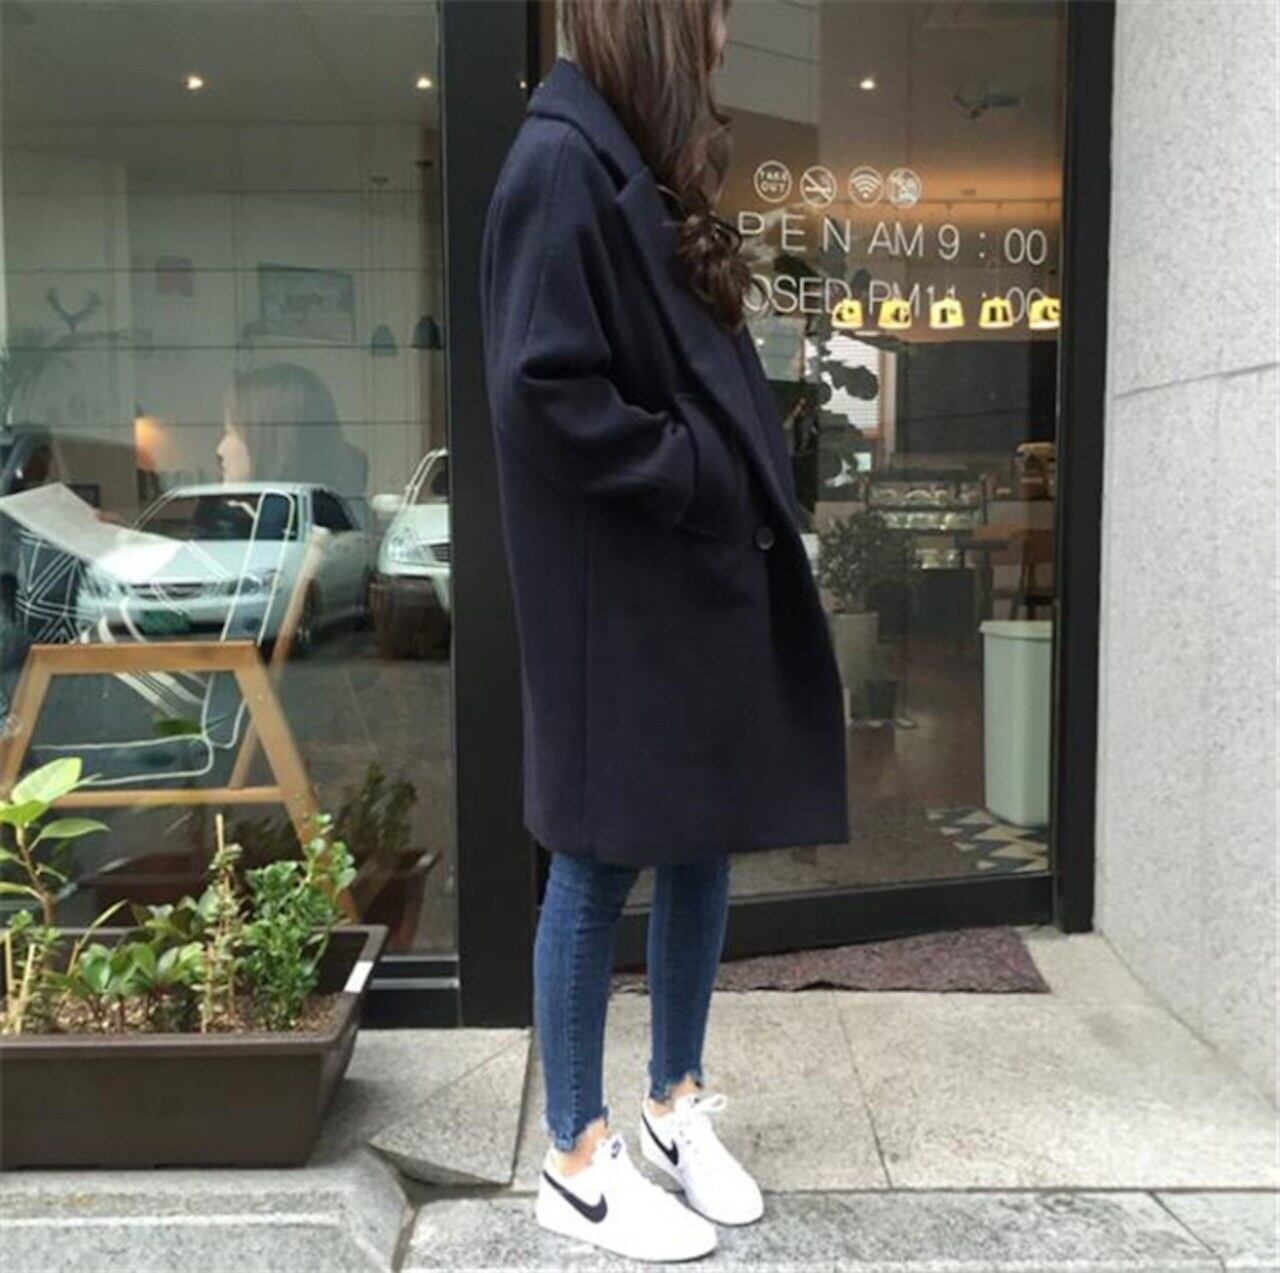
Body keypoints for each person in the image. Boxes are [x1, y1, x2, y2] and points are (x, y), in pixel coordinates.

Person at [480, 2, 848, 1263]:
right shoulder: (557, 160)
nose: (726, 36)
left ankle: (671, 1102)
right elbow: (540, 387)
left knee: (701, 838)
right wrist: (695, 470)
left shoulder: (623, 153)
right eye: (713, 10)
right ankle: (574, 1162)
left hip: (685, 578)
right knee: (593, 859)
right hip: (621, 589)